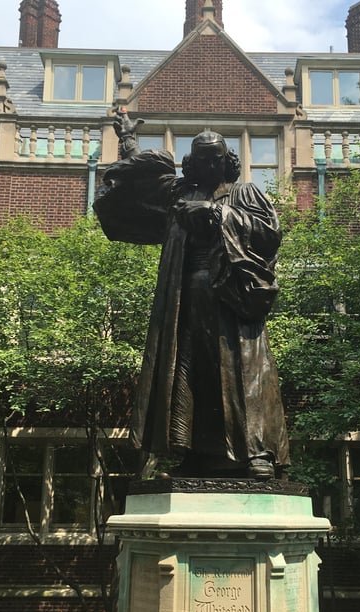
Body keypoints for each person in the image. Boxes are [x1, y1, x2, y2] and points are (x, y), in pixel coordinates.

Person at [93, 109, 289, 479]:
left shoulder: (244, 192)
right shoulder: (178, 192)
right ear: (192, 162)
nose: (210, 163)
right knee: (188, 371)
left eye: (217, 157)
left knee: (239, 374)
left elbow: (269, 234)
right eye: (202, 158)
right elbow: (141, 183)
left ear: (227, 159)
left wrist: (217, 214)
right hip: (184, 297)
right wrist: (128, 140)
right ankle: (195, 453)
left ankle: (255, 453)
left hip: (230, 298)